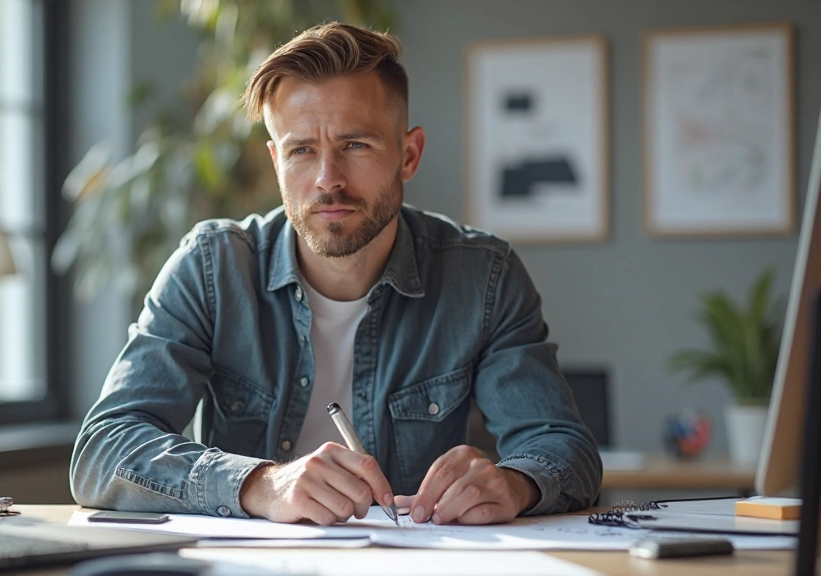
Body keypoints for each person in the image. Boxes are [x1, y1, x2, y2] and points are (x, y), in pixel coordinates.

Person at [71, 22, 601, 527]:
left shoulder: (483, 278)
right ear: (277, 161)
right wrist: (261, 484)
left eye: (355, 145)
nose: (328, 180)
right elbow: (104, 448)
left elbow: (563, 448)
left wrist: (514, 483)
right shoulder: (210, 268)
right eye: (302, 150)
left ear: (409, 154)